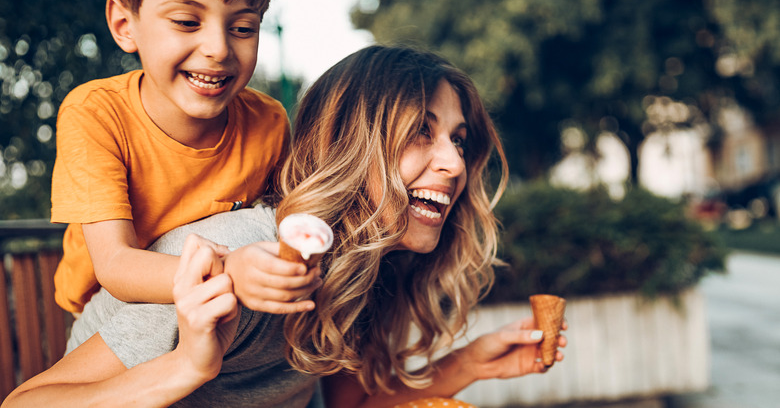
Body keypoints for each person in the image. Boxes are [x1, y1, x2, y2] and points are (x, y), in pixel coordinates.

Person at [3, 45, 566, 407]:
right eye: (422, 131)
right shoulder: (231, 256)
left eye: (459, 140)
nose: (455, 163)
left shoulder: (366, 271)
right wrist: (187, 366)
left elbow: (343, 405)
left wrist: (466, 364)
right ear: (350, 145)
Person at [48, 0, 318, 316]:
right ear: (124, 25)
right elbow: (114, 263)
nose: (218, 49)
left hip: (207, 305)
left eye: (243, 29)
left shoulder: (269, 122)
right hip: (105, 312)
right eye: (187, 21)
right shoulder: (95, 114)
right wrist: (230, 271)